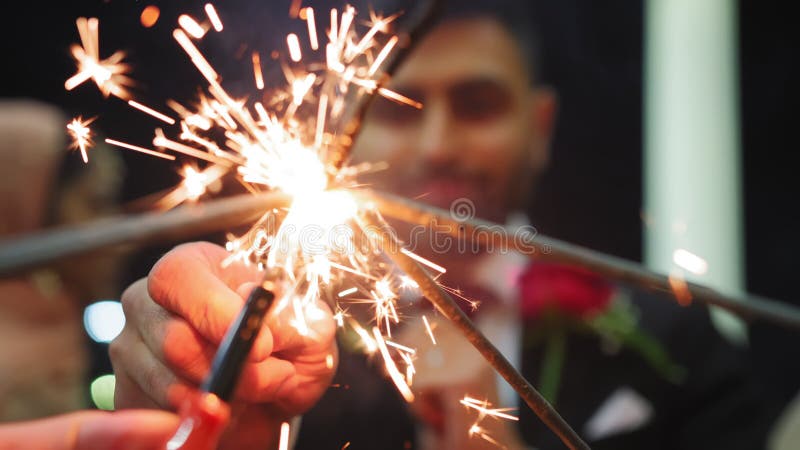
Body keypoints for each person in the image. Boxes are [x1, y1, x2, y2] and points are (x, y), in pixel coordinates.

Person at [110, 2, 771, 450]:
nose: (437, 145)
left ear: (538, 128)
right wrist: (162, 403)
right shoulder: (271, 323)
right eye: (400, 109)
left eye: (478, 106)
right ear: (346, 128)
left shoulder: (673, 335)